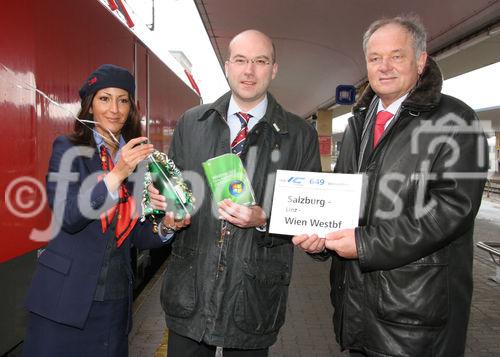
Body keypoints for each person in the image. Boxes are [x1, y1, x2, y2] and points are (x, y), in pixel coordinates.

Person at [293, 16, 487, 356]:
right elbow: (343, 195)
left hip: (414, 317)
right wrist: (321, 237)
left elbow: (452, 210)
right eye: (374, 58)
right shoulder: (359, 121)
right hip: (357, 309)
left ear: (421, 60)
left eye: (396, 56)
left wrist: (366, 244)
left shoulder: (457, 121)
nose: (384, 67)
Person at [152, 29, 321, 356]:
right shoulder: (191, 124)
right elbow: (171, 194)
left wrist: (264, 218)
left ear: (274, 69)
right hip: (190, 296)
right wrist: (168, 214)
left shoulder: (299, 135)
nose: (249, 70)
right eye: (241, 60)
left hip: (253, 300)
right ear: (227, 66)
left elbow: (309, 216)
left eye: (260, 61)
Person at [23, 64, 187, 356]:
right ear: (90, 106)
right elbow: (69, 216)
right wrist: (117, 173)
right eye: (105, 98)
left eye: (123, 100)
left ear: (131, 109)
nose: (114, 108)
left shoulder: (139, 161)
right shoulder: (67, 150)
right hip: (63, 301)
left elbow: (136, 234)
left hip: (114, 304)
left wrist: (168, 226)